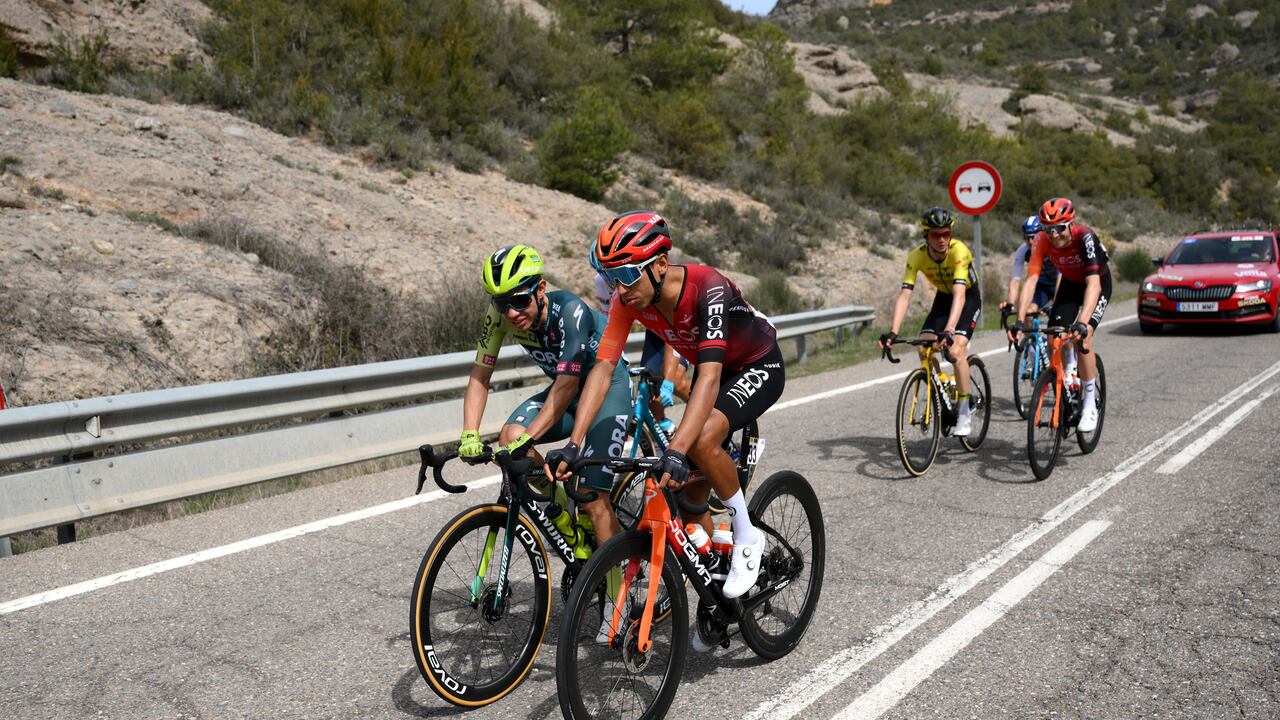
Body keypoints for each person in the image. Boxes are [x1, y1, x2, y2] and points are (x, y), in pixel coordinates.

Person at [546, 211, 784, 607]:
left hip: (756, 364)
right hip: (716, 371)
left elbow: (708, 377)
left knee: (700, 439)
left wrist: (676, 448)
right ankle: (718, 595)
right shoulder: (629, 299)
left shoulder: (707, 285)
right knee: (687, 499)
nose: (620, 289)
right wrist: (574, 443)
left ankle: (747, 534)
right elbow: (603, 369)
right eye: (611, 278)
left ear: (660, 264)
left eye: (626, 275)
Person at [460, 244, 634, 547]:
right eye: (501, 303)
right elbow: (480, 376)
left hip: (608, 390)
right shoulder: (499, 317)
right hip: (567, 392)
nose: (511, 313)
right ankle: (562, 511)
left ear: (540, 289)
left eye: (520, 300)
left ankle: (618, 571)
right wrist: (469, 434)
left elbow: (567, 385)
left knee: (593, 501)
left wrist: (529, 439)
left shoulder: (570, 310)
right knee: (510, 438)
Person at [878, 207, 981, 436]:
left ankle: (965, 410)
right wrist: (893, 332)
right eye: (936, 235)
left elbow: (960, 295)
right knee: (923, 348)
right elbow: (905, 295)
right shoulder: (917, 256)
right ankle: (943, 382)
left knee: (955, 351)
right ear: (926, 235)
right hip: (943, 298)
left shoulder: (959, 251)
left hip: (967, 298)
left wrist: (950, 330)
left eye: (946, 234)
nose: (942, 239)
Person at [1012, 197, 1111, 433]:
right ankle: (1066, 376)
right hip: (1070, 285)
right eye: (1048, 229)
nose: (1054, 235)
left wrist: (1083, 322)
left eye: (1059, 228)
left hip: (1096, 284)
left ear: (1071, 223)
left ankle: (1089, 404)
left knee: (1083, 338)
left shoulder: (1085, 237)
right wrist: (1019, 319)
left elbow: (1094, 285)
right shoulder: (1040, 240)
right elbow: (1031, 281)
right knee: (1053, 337)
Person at [1002, 215, 1059, 320]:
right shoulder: (1023, 251)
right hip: (1042, 287)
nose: (1030, 242)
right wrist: (1010, 304)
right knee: (1027, 313)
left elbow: (1061, 277)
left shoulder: (1054, 245)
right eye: (1026, 238)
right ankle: (1028, 331)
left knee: (1059, 316)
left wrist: (1056, 304)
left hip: (1060, 284)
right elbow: (1015, 280)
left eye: (1034, 237)